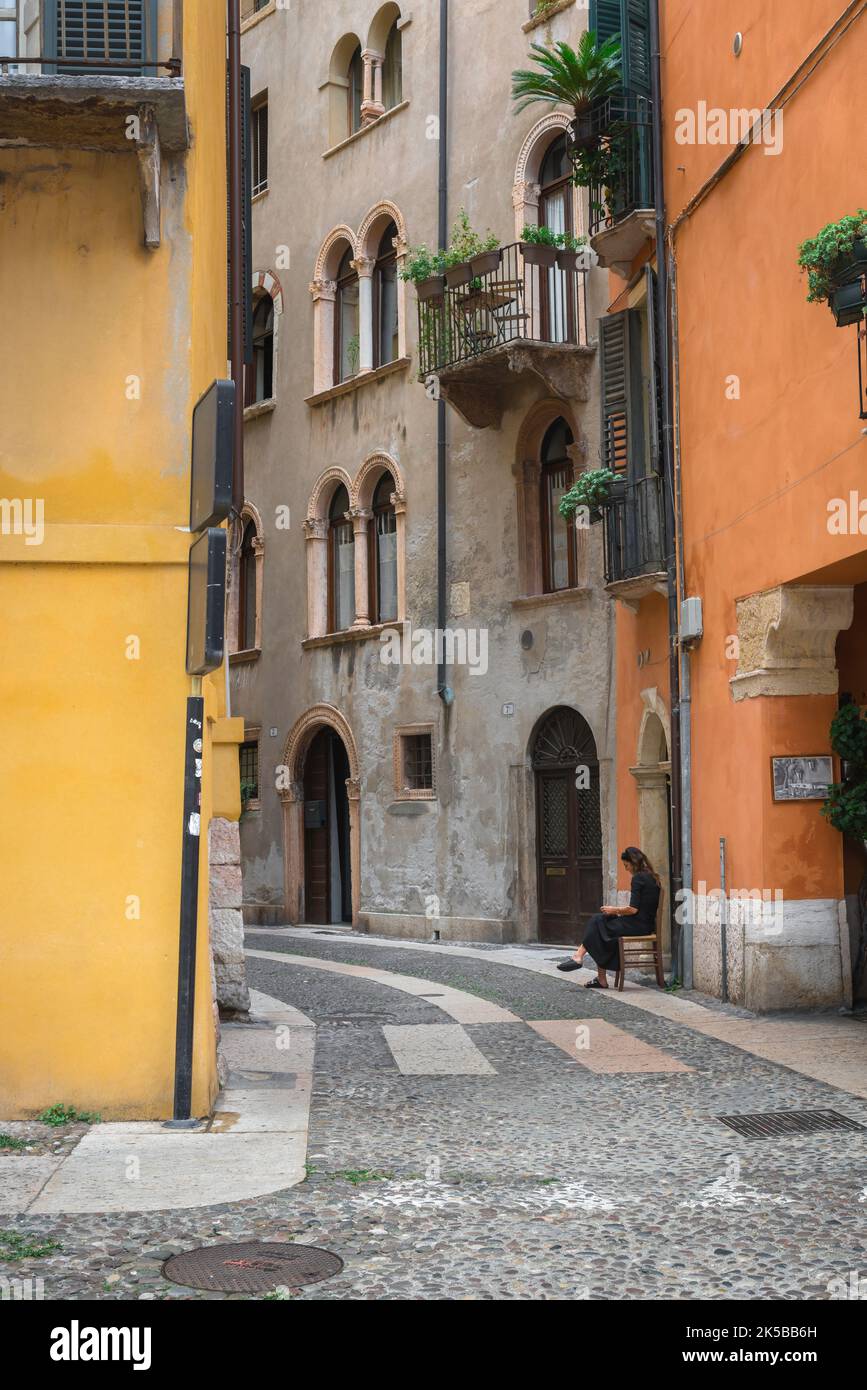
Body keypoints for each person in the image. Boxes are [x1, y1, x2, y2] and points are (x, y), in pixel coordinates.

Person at [557, 847, 661, 989]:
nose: (626, 869)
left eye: (626, 865)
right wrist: (614, 913)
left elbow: (633, 909)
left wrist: (614, 909)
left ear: (634, 862)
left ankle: (581, 958)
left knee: (597, 923)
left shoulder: (638, 878)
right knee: (600, 920)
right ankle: (584, 962)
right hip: (643, 924)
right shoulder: (652, 877)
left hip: (637, 925)